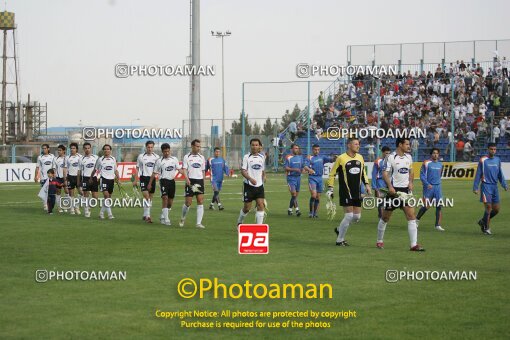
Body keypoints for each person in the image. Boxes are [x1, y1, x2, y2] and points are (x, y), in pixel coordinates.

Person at [376, 138, 425, 251]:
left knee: (411, 216)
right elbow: (385, 173)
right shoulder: (391, 157)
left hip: (405, 192)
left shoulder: (409, 157)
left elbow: (411, 171)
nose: (409, 146)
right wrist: (390, 187)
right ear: (400, 145)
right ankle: (379, 241)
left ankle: (413, 245)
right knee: (385, 217)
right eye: (407, 144)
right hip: (393, 192)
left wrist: (411, 183)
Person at [326, 137, 371, 246]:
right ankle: (339, 240)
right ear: (349, 145)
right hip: (345, 191)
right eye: (355, 144)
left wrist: (367, 184)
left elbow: (363, 173)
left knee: (356, 217)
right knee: (349, 215)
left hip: (357, 192)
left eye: (358, 144)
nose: (358, 146)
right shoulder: (341, 158)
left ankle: (339, 229)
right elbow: (332, 174)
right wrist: (330, 188)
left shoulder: (360, 157)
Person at [473, 143, 508, 235]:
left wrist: (504, 185)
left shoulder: (497, 160)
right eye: (491, 149)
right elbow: (478, 174)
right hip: (486, 186)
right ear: (488, 149)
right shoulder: (483, 160)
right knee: (488, 207)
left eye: (494, 149)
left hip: (494, 187)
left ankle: (482, 221)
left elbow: (500, 174)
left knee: (496, 209)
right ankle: (486, 228)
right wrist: (475, 187)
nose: (493, 151)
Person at [148, 143, 184, 226]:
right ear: (162, 152)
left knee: (170, 203)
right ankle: (167, 219)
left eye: (168, 151)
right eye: (165, 152)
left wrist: (186, 176)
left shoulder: (174, 159)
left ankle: (162, 216)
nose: (167, 153)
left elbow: (179, 170)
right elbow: (154, 173)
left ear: (170, 150)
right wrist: (150, 183)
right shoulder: (159, 161)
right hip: (163, 181)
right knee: (165, 198)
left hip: (172, 181)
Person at [237, 138, 266, 225]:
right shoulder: (247, 157)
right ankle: (240, 222)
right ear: (250, 146)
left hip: (259, 186)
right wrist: (250, 179)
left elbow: (263, 170)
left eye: (256, 145)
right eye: (253, 145)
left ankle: (259, 227)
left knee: (261, 205)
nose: (254, 146)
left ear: (259, 146)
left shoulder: (262, 157)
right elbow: (243, 171)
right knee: (247, 208)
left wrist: (264, 177)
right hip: (249, 186)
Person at [416, 148, 445, 231]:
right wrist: (427, 184)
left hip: (438, 187)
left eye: (437, 153)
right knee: (426, 206)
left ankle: (437, 225)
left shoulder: (440, 164)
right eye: (434, 153)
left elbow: (440, 175)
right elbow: (422, 175)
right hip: (429, 187)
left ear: (438, 155)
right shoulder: (426, 163)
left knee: (439, 206)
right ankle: (417, 219)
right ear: (431, 154)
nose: (435, 154)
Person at [180, 139, 206, 228]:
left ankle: (198, 223)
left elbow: (203, 171)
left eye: (199, 146)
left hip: (199, 181)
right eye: (197, 146)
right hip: (190, 181)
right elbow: (184, 169)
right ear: (192, 146)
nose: (199, 148)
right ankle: (183, 218)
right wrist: (186, 179)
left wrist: (203, 181)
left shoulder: (201, 157)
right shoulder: (187, 157)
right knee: (188, 203)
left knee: (200, 201)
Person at [303, 144, 335, 218]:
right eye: (315, 150)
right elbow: (305, 166)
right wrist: (309, 169)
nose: (317, 151)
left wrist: (335, 158)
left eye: (318, 150)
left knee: (318, 197)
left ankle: (315, 213)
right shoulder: (309, 157)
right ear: (312, 150)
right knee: (313, 195)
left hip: (320, 179)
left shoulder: (322, 157)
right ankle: (311, 212)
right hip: (312, 178)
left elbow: (331, 160)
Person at [134, 140, 159, 223]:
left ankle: (145, 214)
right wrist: (135, 179)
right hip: (143, 178)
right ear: (146, 147)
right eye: (148, 147)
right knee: (146, 197)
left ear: (153, 147)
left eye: (151, 147)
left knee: (150, 199)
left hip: (152, 179)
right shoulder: (141, 156)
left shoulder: (156, 157)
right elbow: (137, 168)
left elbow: (158, 168)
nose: (150, 149)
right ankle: (148, 216)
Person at [93, 144, 120, 219]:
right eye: (105, 149)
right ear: (103, 150)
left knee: (108, 198)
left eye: (108, 149)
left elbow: (115, 170)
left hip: (111, 180)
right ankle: (110, 214)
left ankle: (101, 213)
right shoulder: (100, 159)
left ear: (110, 150)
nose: (106, 150)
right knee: (106, 196)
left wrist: (118, 178)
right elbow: (96, 170)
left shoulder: (113, 159)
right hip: (103, 179)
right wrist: (93, 177)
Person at [77, 142, 98, 218]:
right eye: (85, 148)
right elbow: (79, 171)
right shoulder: (81, 159)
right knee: (86, 195)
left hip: (94, 178)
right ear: (83, 149)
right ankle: (86, 211)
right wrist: (78, 182)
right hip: (85, 178)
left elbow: (99, 168)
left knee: (95, 198)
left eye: (88, 148)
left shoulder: (95, 157)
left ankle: (88, 207)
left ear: (90, 148)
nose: (87, 149)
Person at [285, 144, 305, 216]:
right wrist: (295, 169)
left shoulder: (300, 157)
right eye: (295, 148)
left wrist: (303, 170)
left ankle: (290, 209)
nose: (297, 149)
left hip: (298, 178)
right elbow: (286, 168)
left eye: (298, 148)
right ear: (292, 149)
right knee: (293, 194)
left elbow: (302, 166)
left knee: (295, 196)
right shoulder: (288, 157)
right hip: (291, 178)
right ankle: (297, 210)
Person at [371, 146, 391, 219]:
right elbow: (374, 174)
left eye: (389, 153)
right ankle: (381, 215)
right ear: (382, 153)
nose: (387, 155)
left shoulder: (391, 161)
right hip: (380, 182)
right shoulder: (378, 161)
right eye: (386, 153)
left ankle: (383, 215)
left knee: (388, 200)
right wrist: (374, 186)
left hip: (389, 183)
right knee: (381, 199)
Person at [34, 144, 55, 212]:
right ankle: (45, 205)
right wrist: (36, 176)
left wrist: (54, 175)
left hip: (51, 177)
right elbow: (37, 167)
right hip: (43, 177)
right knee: (45, 191)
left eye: (45, 148)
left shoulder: (52, 156)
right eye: (43, 148)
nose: (44, 149)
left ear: (48, 149)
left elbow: (54, 167)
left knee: (51, 192)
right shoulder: (40, 157)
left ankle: (50, 204)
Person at [66, 142, 82, 215]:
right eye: (71, 148)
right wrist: (65, 178)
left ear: (77, 149)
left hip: (78, 177)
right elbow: (65, 168)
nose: (72, 149)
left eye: (74, 148)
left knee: (81, 192)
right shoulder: (67, 157)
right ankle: (72, 209)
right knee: (71, 193)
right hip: (70, 176)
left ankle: (77, 207)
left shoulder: (80, 157)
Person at [52, 144, 69, 213]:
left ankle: (65, 205)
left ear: (64, 151)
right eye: (58, 150)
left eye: (60, 150)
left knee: (67, 191)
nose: (59, 151)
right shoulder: (55, 159)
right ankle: (59, 207)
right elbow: (54, 168)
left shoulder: (67, 158)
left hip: (66, 178)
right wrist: (54, 176)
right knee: (58, 192)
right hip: (58, 178)